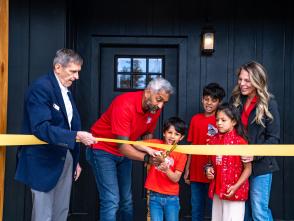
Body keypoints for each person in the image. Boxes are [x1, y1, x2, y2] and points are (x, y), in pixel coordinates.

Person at [14, 48, 97, 221]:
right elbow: (41, 128)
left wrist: (74, 161)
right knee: (43, 216)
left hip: (64, 158)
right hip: (42, 161)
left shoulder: (65, 90)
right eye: (73, 71)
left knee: (61, 213)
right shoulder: (40, 88)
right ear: (58, 67)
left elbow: (67, 125)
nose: (77, 77)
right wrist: (76, 135)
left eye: (78, 72)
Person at [86, 77, 174, 221]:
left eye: (164, 102)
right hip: (102, 150)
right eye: (159, 99)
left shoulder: (154, 109)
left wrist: (149, 149)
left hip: (124, 152)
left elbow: (147, 133)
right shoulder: (124, 104)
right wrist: (148, 158)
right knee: (111, 199)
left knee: (126, 200)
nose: (160, 106)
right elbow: (122, 147)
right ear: (147, 92)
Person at [230, 61, 280, 221]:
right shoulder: (235, 100)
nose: (242, 84)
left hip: (261, 166)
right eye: (240, 79)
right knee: (242, 213)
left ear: (258, 81)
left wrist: (254, 154)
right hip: (238, 165)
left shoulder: (269, 103)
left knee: (259, 212)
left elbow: (274, 139)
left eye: (247, 80)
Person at [184, 83, 225, 221]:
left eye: (214, 100)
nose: (209, 103)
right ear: (202, 99)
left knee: (215, 208)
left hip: (215, 172)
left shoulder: (220, 121)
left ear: (219, 102)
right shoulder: (195, 119)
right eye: (206, 99)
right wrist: (187, 169)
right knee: (196, 207)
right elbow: (191, 146)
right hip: (195, 171)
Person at [205, 103, 252, 221]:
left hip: (235, 192)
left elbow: (248, 169)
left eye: (223, 120)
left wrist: (235, 187)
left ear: (234, 122)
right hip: (218, 190)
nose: (219, 123)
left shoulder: (240, 142)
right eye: (217, 120)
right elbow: (209, 163)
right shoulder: (213, 140)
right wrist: (208, 170)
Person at [144, 117, 187, 221]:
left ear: (181, 137)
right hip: (154, 196)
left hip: (171, 198)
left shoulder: (182, 154)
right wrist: (150, 150)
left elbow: (176, 178)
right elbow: (137, 144)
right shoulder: (157, 144)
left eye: (176, 134)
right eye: (170, 132)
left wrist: (166, 169)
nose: (172, 136)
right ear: (164, 133)